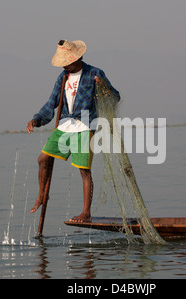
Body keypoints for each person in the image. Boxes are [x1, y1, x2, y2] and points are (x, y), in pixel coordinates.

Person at [27, 40, 120, 223]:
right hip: (65, 125)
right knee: (43, 159)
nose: (64, 66)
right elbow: (51, 104)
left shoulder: (95, 73)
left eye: (66, 62)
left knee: (84, 170)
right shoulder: (62, 77)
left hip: (85, 126)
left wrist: (103, 87)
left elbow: (114, 97)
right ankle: (42, 196)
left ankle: (86, 212)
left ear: (77, 58)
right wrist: (36, 120)